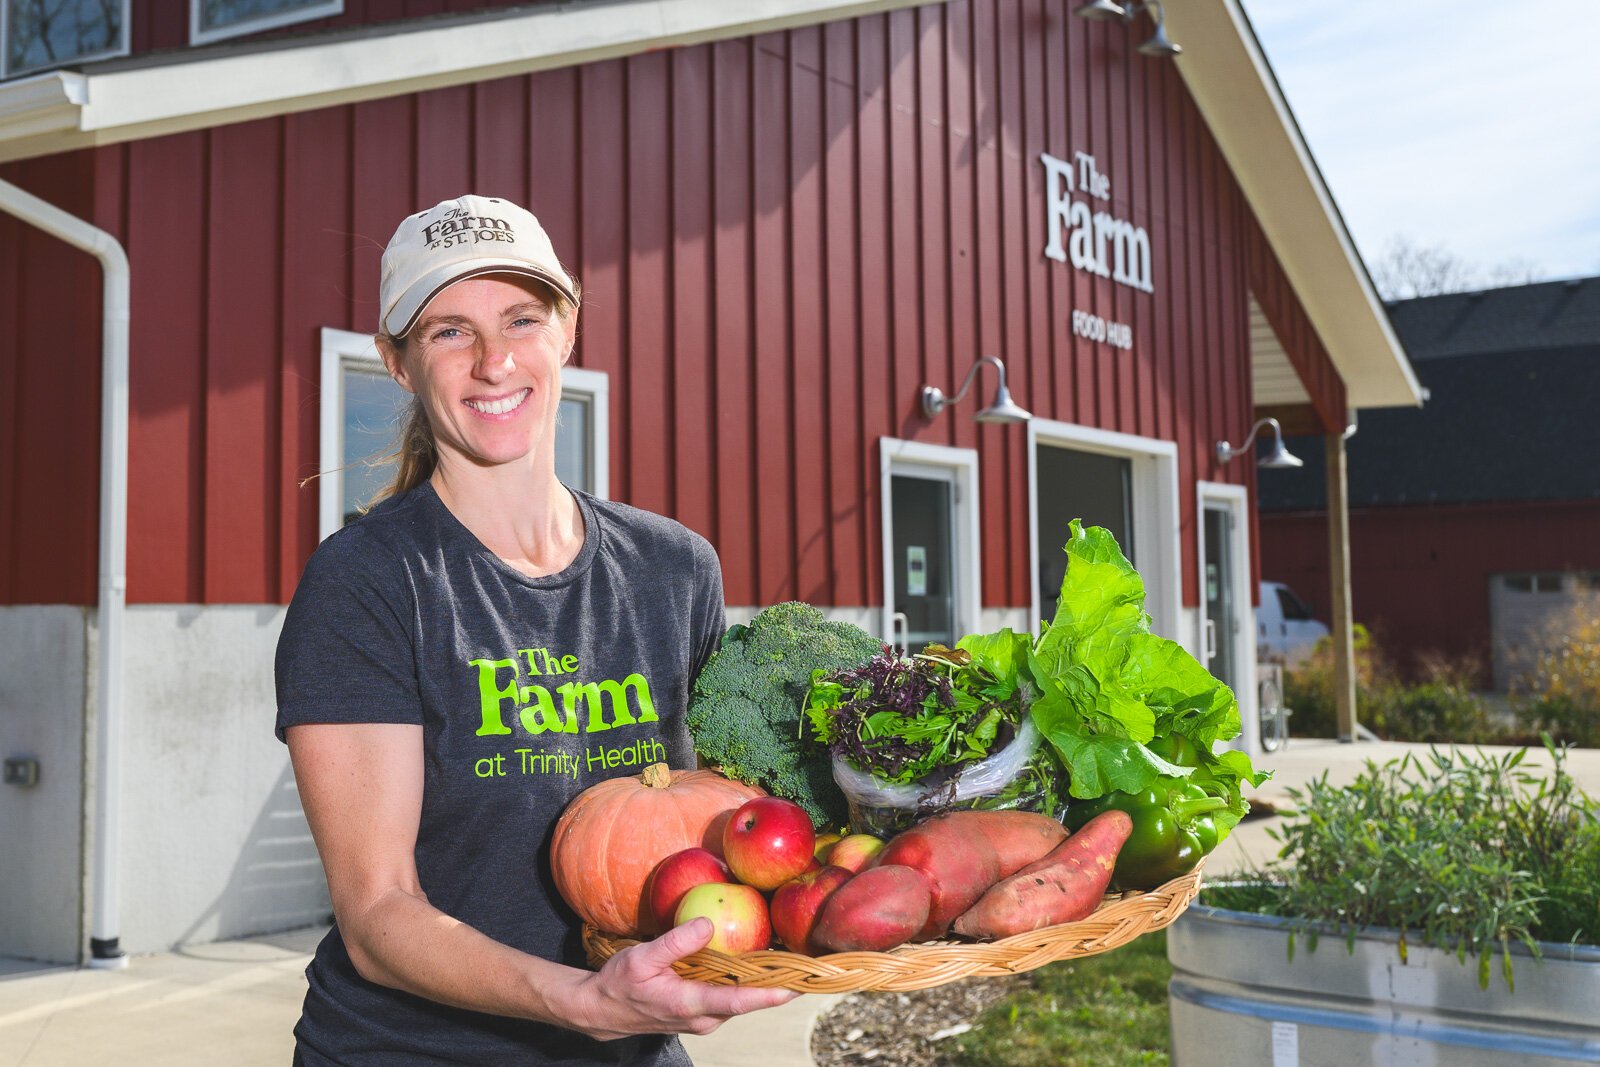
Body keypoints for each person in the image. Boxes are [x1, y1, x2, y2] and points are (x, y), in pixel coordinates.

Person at [275, 194, 795, 1066]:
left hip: (628, 1046)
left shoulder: (673, 569)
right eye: (448, 331)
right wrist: (579, 1000)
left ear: (568, 330)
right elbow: (377, 911)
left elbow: (715, 833)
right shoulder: (368, 582)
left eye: (521, 317)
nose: (493, 360)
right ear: (396, 364)